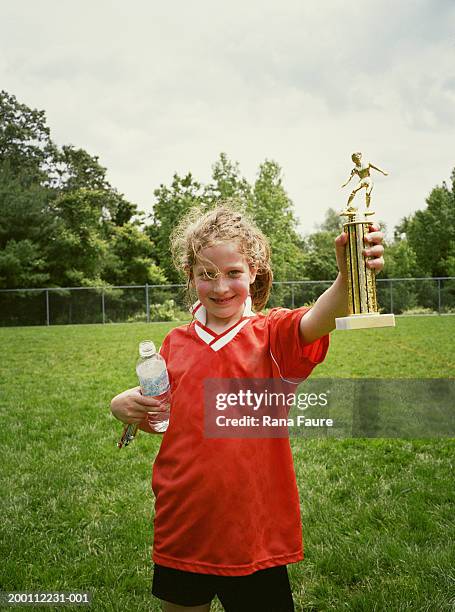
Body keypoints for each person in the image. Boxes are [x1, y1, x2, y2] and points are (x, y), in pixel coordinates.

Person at [110, 204, 385, 612]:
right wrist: (124, 404)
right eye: (206, 274)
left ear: (253, 272)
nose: (220, 286)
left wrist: (350, 275)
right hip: (183, 522)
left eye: (233, 273)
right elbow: (166, 415)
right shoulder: (174, 343)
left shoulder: (273, 335)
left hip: (253, 530)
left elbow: (322, 316)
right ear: (190, 276)